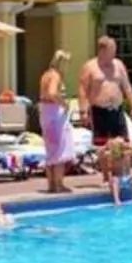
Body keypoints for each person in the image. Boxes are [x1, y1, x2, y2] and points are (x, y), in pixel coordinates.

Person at [78, 36, 132, 156]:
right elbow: (83, 90)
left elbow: (127, 87)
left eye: (114, 50)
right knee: (102, 147)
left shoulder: (119, 65)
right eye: (111, 50)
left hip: (117, 109)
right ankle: (105, 168)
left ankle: (122, 167)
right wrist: (83, 111)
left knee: (123, 145)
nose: (114, 53)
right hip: (99, 111)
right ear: (102, 51)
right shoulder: (90, 67)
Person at [38, 49, 75, 195]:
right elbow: (52, 92)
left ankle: (51, 184)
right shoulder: (55, 75)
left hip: (45, 112)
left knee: (51, 150)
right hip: (54, 113)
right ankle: (58, 184)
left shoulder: (45, 75)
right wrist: (63, 104)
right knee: (60, 150)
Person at [104, 138, 132, 205]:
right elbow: (109, 170)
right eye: (120, 144)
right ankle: (117, 201)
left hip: (127, 178)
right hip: (118, 179)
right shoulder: (111, 156)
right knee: (115, 180)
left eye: (122, 143)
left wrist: (128, 146)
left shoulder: (126, 153)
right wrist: (109, 180)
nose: (122, 145)